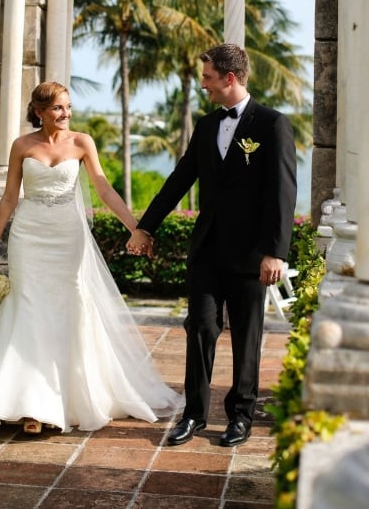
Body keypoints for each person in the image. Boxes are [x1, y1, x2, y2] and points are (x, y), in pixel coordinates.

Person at [0, 81, 184, 434]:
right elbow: (9, 198)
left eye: (67, 107)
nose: (65, 114)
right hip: (29, 234)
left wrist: (135, 228)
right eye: (57, 108)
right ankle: (30, 406)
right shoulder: (22, 145)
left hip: (68, 237)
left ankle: (62, 397)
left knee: (69, 306)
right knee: (28, 307)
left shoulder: (82, 143)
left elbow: (103, 187)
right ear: (39, 111)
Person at [126, 44, 296, 447]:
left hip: (253, 255)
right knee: (200, 326)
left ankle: (240, 416)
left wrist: (276, 251)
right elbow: (179, 180)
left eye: (207, 78)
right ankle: (194, 415)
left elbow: (283, 192)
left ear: (230, 78)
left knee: (247, 336)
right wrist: (144, 227)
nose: (203, 85)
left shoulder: (273, 125)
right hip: (206, 251)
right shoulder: (205, 126)